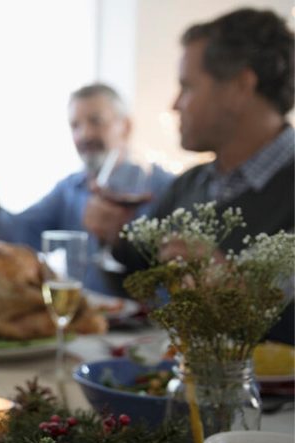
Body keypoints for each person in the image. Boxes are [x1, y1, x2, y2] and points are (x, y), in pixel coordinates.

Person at [105, 7, 294, 344]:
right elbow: (141, 273)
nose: (176, 104)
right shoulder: (191, 184)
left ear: (240, 87)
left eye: (187, 86)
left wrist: (230, 284)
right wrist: (115, 234)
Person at [0, 83, 174, 296]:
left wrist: (121, 241)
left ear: (126, 126)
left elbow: (180, 271)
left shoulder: (167, 188)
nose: (84, 134)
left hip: (148, 325)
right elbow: (22, 236)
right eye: (75, 125)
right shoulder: (70, 189)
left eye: (96, 121)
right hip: (90, 320)